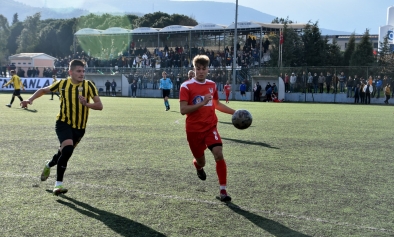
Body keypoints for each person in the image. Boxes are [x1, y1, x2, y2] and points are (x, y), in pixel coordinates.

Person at [20, 59, 103, 195]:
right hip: (63, 123)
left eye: (83, 71)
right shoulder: (63, 84)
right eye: (78, 71)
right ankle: (58, 185)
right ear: (70, 72)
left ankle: (48, 164)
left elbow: (99, 106)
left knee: (62, 153)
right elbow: (43, 90)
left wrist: (86, 104)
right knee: (68, 149)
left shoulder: (89, 85)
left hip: (80, 128)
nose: (82, 74)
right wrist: (30, 99)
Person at [179, 54, 235, 202]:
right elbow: (183, 110)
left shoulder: (212, 85)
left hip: (210, 127)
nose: (201, 71)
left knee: (218, 154)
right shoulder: (186, 86)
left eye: (204, 69)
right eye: (198, 69)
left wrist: (235, 112)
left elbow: (217, 104)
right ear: (194, 69)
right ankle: (198, 167)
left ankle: (223, 190)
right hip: (193, 131)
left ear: (208, 69)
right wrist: (202, 103)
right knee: (201, 161)